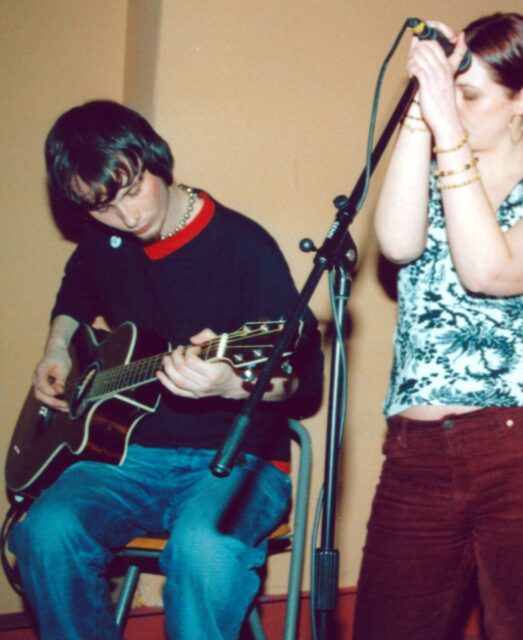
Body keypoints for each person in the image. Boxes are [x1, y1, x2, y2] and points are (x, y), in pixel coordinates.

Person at [9, 100, 323, 640]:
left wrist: (234, 383)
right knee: (44, 532)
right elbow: (77, 286)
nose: (128, 217)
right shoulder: (106, 242)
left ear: (156, 160)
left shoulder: (244, 248)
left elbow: (304, 384)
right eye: (104, 208)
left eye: (133, 191)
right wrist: (58, 346)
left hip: (238, 459)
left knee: (204, 549)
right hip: (123, 456)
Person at [354, 13, 523, 640]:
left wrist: (447, 131)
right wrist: (418, 107)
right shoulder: (431, 178)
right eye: (449, 94)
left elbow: (489, 270)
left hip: (520, 448)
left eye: (470, 95)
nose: (452, 109)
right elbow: (397, 242)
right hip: (414, 453)